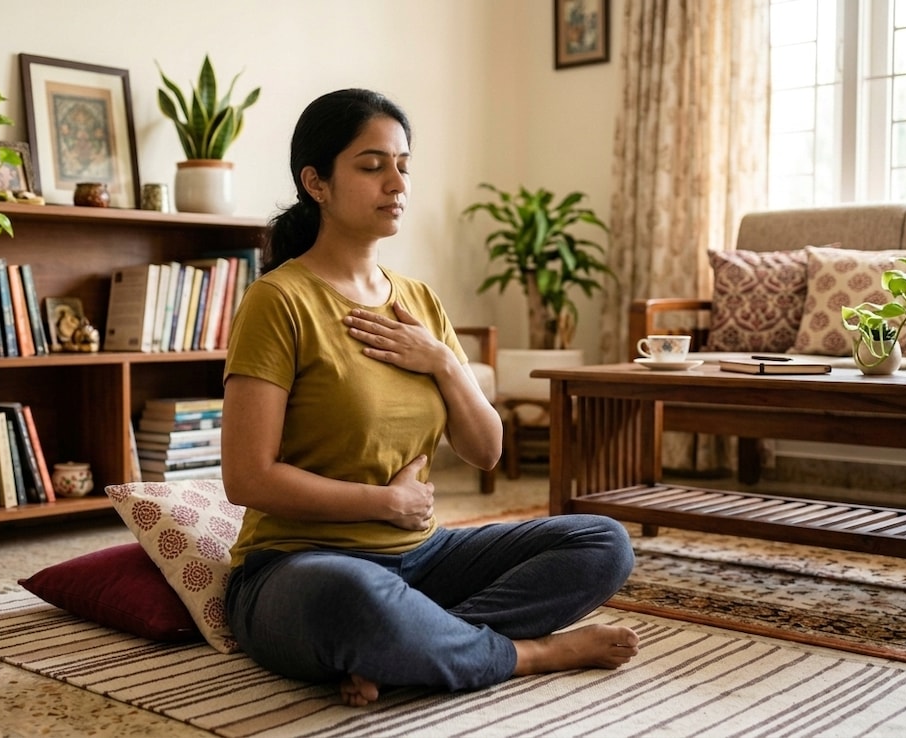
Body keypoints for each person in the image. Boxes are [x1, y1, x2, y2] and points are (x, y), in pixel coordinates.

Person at [220, 88, 638, 707]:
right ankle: (526, 654)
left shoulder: (418, 301)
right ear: (317, 183)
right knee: (354, 600)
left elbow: (486, 450)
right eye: (371, 166)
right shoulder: (278, 301)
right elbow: (247, 478)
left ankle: (411, 647)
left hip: (424, 557)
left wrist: (442, 360)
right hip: (299, 566)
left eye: (404, 165)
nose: (396, 183)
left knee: (603, 542)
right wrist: (385, 501)